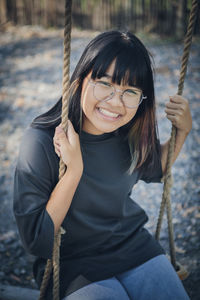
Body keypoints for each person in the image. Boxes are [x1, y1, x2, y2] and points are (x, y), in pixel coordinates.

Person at [13, 30, 192, 300]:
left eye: (130, 91)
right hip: (71, 262)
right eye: (105, 84)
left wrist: (182, 132)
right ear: (81, 80)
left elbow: (156, 169)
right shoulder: (41, 142)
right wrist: (73, 172)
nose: (115, 102)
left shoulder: (129, 131)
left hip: (131, 245)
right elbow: (38, 241)